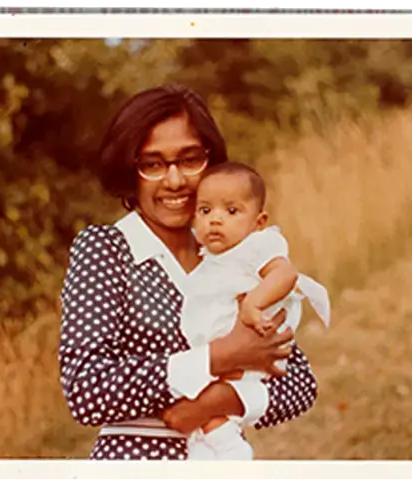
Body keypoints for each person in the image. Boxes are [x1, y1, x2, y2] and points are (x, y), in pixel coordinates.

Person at [58, 84, 319, 460]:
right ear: (129, 170)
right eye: (152, 164)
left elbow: (299, 384)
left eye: (190, 159)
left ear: (211, 162)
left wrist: (213, 403)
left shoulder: (233, 253)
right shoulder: (107, 248)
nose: (175, 181)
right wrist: (219, 356)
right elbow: (86, 391)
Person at [180, 161, 332, 460]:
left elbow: (285, 275)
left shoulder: (258, 245)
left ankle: (230, 449)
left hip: (251, 346)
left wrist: (253, 303)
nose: (215, 220)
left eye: (231, 211)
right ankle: (223, 447)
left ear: (258, 222)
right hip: (221, 354)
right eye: (205, 211)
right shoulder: (211, 259)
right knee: (201, 415)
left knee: (206, 402)